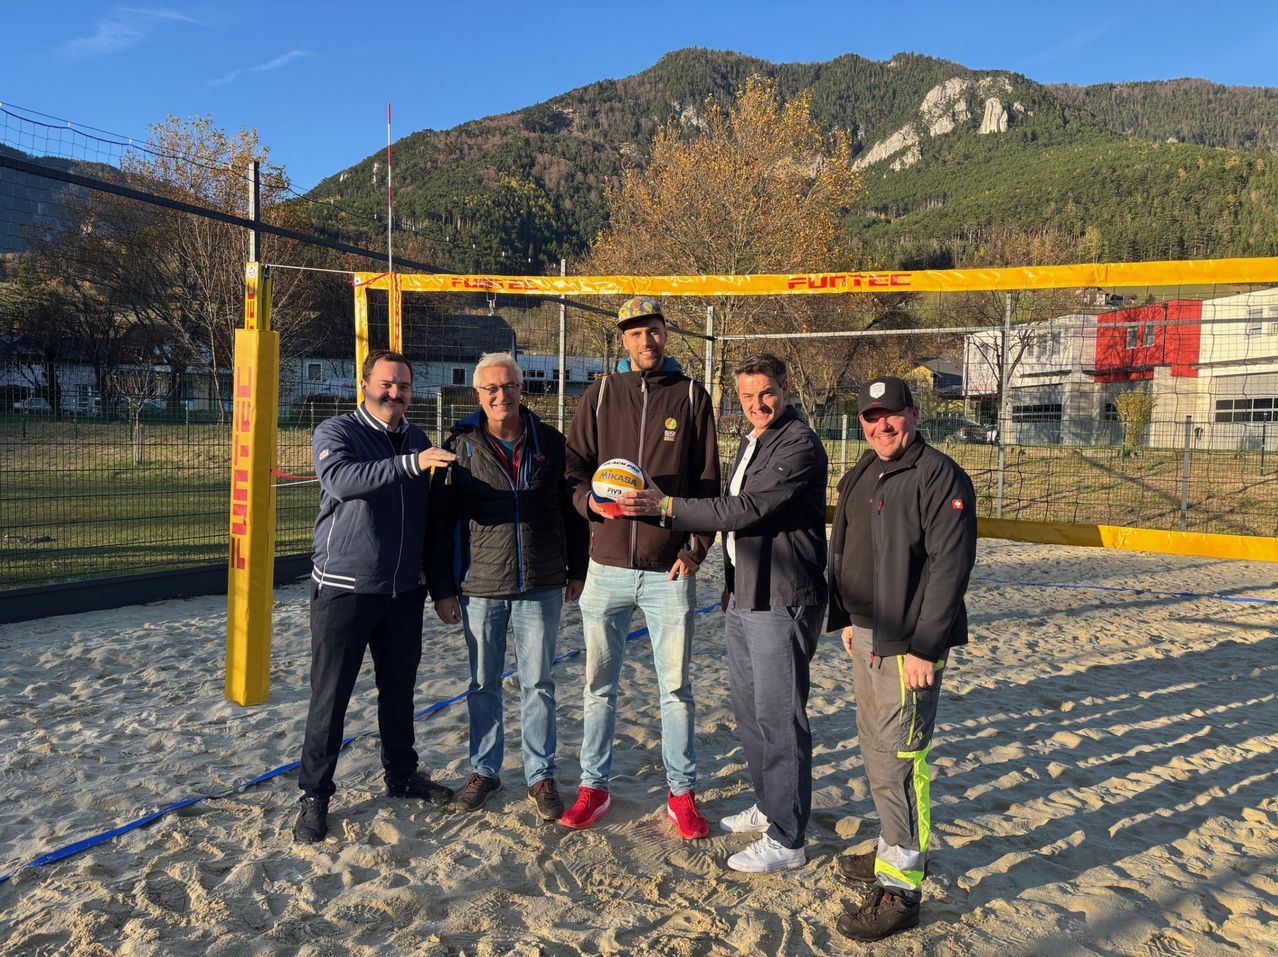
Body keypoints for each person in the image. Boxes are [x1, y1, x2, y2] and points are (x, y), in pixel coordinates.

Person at [616, 353, 828, 872]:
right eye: (748, 396)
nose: (758, 404)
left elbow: (744, 510)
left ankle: (788, 838)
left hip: (782, 596)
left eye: (767, 393)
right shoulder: (755, 439)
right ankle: (769, 806)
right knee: (753, 714)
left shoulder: (798, 443)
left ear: (785, 387)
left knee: (781, 719)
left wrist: (666, 507)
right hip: (745, 594)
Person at [560, 296, 720, 838]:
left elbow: (707, 487)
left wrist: (693, 551)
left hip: (666, 570)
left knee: (675, 690)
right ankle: (594, 788)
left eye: (651, 331)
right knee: (598, 686)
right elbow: (573, 472)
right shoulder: (602, 393)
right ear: (622, 339)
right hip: (605, 565)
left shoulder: (693, 396)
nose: (644, 341)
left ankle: (681, 794)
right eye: (633, 333)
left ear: (666, 333)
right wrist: (590, 506)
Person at [827, 375, 977, 941]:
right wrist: (844, 616)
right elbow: (842, 549)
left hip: (910, 646)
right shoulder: (863, 471)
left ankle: (903, 890)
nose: (881, 425)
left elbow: (948, 570)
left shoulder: (939, 475)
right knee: (875, 751)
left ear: (913, 415)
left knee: (903, 759)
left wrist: (925, 647)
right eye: (870, 417)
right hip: (866, 634)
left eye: (891, 414)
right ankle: (893, 847)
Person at [293, 349, 457, 844]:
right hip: (344, 590)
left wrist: (438, 585)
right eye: (386, 384)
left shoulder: (418, 437)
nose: (395, 393)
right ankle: (315, 796)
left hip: (403, 590)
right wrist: (410, 463)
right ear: (364, 384)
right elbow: (342, 482)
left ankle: (402, 776)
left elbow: (429, 519)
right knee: (331, 699)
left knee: (400, 691)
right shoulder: (337, 432)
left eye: (403, 386)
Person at [426, 352, 588, 820]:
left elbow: (572, 513)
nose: (501, 395)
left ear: (522, 389)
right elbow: (440, 524)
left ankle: (540, 774)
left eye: (510, 386)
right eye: (491, 389)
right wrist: (442, 588)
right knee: (483, 682)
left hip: (540, 580)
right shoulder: (458, 446)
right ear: (477, 394)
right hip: (481, 585)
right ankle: (485, 770)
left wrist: (577, 569)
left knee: (539, 682)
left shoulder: (551, 443)